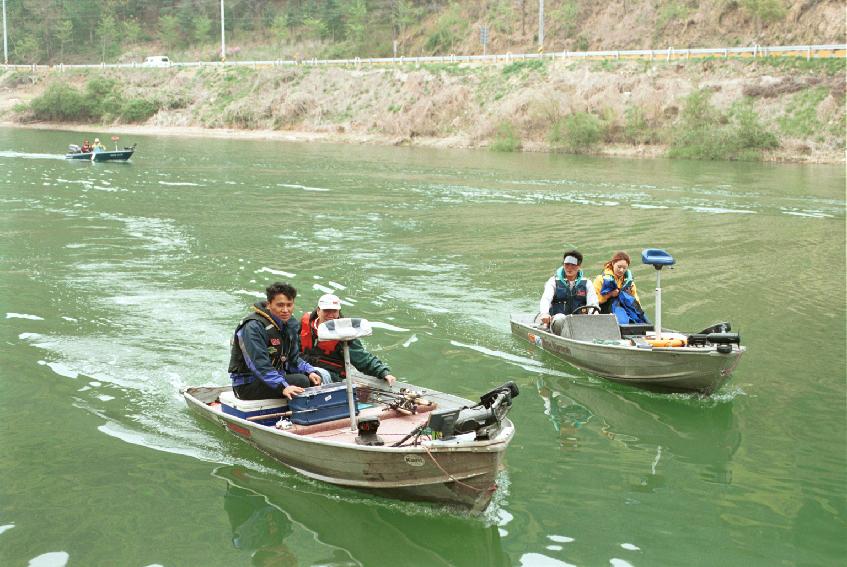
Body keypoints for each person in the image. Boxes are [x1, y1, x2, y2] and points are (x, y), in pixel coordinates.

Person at [228, 282, 323, 401]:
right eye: (280, 305)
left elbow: (293, 359)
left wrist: (310, 371)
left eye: (289, 305)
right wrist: (282, 386)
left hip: (273, 378)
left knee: (314, 377)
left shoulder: (289, 324)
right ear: (269, 305)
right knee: (301, 381)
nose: (285, 310)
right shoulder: (253, 327)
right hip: (247, 385)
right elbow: (259, 365)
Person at [300, 293, 397, 386]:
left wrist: (383, 372)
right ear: (318, 310)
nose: (330, 315)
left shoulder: (344, 334)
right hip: (304, 364)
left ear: (339, 312)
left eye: (334, 311)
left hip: (330, 373)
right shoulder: (306, 324)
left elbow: (362, 358)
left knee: (310, 377)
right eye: (326, 310)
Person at [539, 250, 599, 334]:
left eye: (573, 265)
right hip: (557, 322)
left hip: (579, 322)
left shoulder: (587, 283)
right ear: (563, 264)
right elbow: (546, 299)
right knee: (560, 318)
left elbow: (592, 303)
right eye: (566, 264)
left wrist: (594, 313)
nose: (569, 268)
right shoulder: (553, 281)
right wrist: (544, 313)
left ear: (579, 266)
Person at [593, 251, 648, 324]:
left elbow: (636, 299)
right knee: (623, 321)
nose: (621, 270)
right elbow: (594, 301)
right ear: (613, 264)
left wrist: (630, 295)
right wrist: (610, 295)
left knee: (643, 320)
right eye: (619, 267)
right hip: (606, 308)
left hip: (626, 306)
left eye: (624, 268)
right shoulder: (600, 279)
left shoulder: (630, 283)